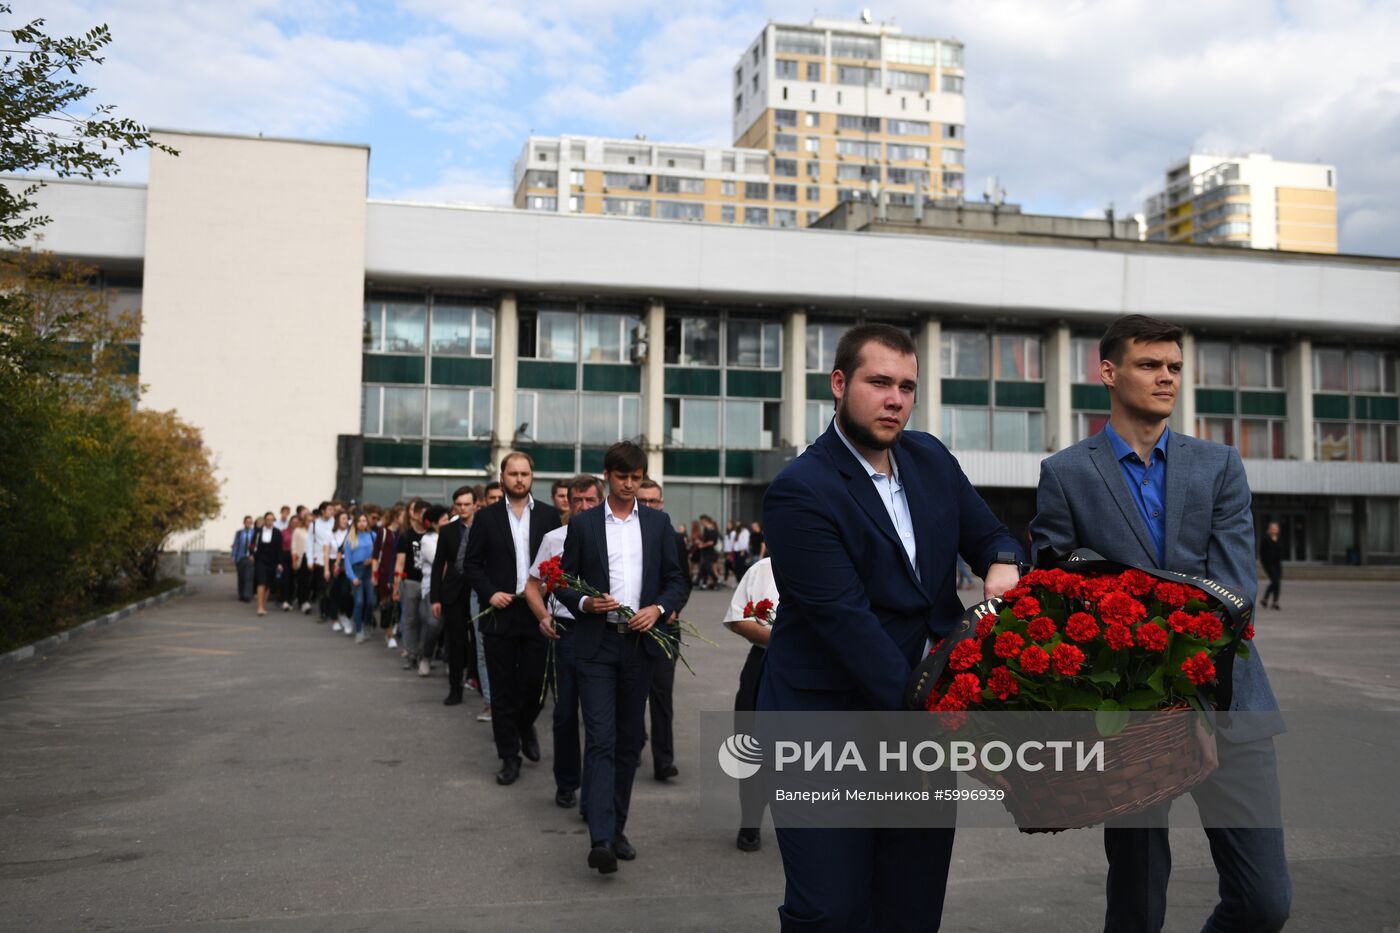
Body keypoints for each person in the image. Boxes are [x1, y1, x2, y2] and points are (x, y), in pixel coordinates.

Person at [1030, 314, 1290, 933]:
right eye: (1150, 365)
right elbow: (1062, 601)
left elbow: (1231, 596)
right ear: (1110, 373)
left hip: (1230, 706)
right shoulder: (1065, 473)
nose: (1166, 377)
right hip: (1129, 724)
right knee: (1137, 907)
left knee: (1264, 902)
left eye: (1174, 366)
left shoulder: (1219, 465)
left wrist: (1193, 708)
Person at [761, 323, 1022, 930]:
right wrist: (960, 721)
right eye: (879, 382)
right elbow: (849, 627)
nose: (895, 399)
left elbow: (989, 533)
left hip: (920, 730)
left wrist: (1002, 565)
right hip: (826, 727)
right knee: (831, 911)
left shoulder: (929, 456)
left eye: (907, 386)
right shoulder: (800, 491)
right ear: (839, 383)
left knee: (911, 910)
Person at [555, 441, 688, 875]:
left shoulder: (658, 523)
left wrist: (659, 609)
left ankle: (617, 826)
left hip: (640, 646)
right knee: (602, 739)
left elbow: (676, 581)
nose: (630, 484)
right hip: (595, 646)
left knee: (630, 742)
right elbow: (563, 583)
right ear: (607, 476)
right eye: (622, 477)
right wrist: (584, 604)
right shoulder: (586, 524)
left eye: (636, 477)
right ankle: (601, 838)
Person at [463, 453, 561, 785]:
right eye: (513, 473)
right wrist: (490, 592)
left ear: (532, 476)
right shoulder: (487, 517)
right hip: (501, 611)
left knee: (536, 685)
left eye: (525, 473)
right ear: (502, 476)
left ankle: (524, 723)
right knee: (502, 688)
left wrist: (552, 589)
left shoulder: (549, 516)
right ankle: (508, 756)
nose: (519, 479)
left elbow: (561, 562)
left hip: (537, 611)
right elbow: (472, 565)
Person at [526, 473, 604, 811]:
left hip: (603, 632)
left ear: (600, 501)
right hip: (567, 632)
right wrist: (543, 615)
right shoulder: (554, 539)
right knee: (564, 713)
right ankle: (567, 782)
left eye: (590, 500)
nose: (584, 507)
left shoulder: (613, 538)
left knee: (598, 718)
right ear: (567, 503)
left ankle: (594, 794)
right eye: (578, 501)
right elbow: (532, 585)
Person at [635, 478, 691, 782]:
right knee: (630, 694)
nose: (647, 506)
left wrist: (672, 608)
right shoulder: (623, 535)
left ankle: (663, 760)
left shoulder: (673, 537)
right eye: (642, 501)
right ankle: (634, 742)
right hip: (628, 628)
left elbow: (683, 581)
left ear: (662, 503)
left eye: (652, 501)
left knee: (661, 697)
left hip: (664, 631)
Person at [723, 554, 778, 852]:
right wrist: (780, 637)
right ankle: (751, 820)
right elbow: (737, 618)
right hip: (764, 661)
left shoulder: (837, 564)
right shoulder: (762, 569)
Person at [431, 486, 482, 699]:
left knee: (480, 641)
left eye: (467, 504)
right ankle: (455, 689)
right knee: (456, 642)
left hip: (479, 591)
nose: (463, 508)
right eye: (459, 505)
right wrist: (435, 598)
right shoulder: (447, 531)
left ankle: (482, 685)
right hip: (452, 592)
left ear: (475, 505)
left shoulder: (484, 526)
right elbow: (438, 564)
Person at [394, 499, 430, 673]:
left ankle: (423, 653)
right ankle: (410, 653)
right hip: (411, 582)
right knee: (410, 619)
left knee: (427, 619)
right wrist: (395, 586)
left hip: (429, 583)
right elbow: (400, 563)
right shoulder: (406, 536)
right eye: (421, 513)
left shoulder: (433, 535)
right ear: (414, 515)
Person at [342, 512, 377, 643]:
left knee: (371, 602)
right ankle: (359, 630)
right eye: (360, 521)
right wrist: (352, 577)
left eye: (364, 521)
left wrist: (372, 560)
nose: (362, 523)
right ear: (355, 523)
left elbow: (379, 552)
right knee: (359, 601)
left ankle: (367, 623)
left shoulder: (372, 536)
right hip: (357, 570)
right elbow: (347, 561)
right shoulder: (351, 538)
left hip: (369, 570)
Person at [251, 511, 283, 617]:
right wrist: (252, 555)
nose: (269, 521)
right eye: (267, 519)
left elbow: (279, 549)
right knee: (261, 582)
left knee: (268, 584)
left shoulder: (277, 532)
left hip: (273, 561)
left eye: (271, 520)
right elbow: (252, 544)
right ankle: (259, 607)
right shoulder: (258, 531)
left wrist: (279, 563)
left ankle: (263, 605)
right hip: (261, 560)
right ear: (264, 520)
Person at [1260, 521, 1284, 610]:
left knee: (1277, 582)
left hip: (1277, 564)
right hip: (1268, 564)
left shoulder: (1279, 538)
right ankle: (1267, 599)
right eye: (1273, 528)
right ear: (1270, 529)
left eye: (1276, 528)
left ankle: (1273, 601)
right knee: (1275, 581)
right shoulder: (1265, 539)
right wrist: (1264, 563)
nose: (1275, 530)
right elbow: (1261, 552)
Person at [232, 516, 256, 602]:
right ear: (244, 522)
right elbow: (236, 545)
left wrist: (254, 555)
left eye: (250, 522)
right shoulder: (239, 533)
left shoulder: (254, 533)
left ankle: (247, 595)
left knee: (248, 576)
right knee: (241, 577)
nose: (249, 523)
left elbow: (256, 546)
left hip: (250, 557)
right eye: (247, 522)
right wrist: (233, 557)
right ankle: (241, 594)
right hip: (240, 557)